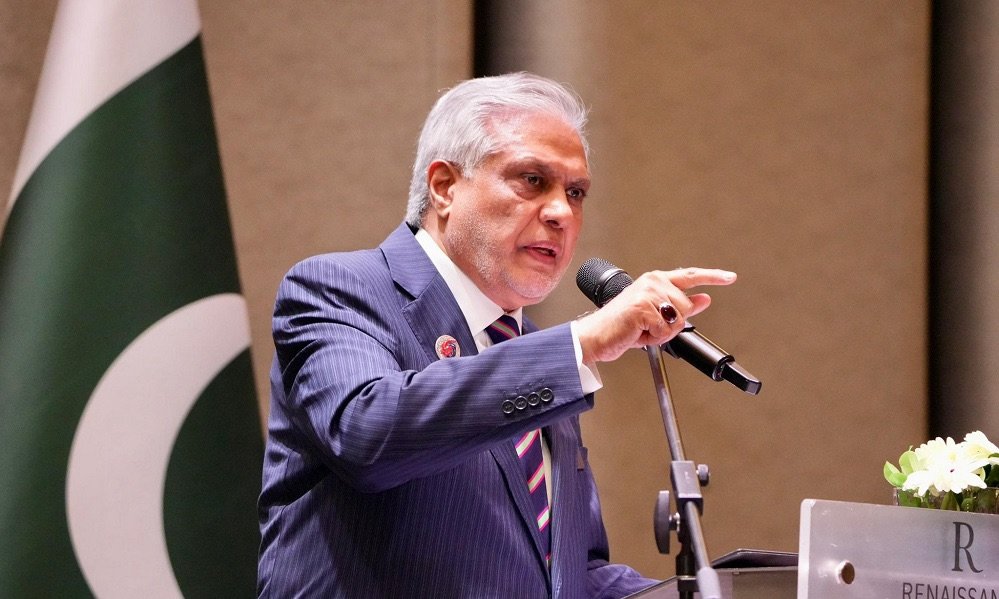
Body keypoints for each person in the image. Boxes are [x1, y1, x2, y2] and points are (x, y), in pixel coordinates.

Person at [257, 72, 736, 598]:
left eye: (576, 192)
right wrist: (581, 343)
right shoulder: (339, 287)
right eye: (532, 180)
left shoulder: (535, 351)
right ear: (445, 187)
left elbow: (572, 575)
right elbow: (367, 433)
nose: (561, 212)